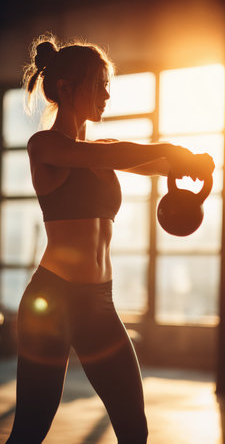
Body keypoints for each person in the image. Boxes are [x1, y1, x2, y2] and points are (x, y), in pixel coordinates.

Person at [6, 34, 214, 444]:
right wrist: (171, 150)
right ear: (66, 88)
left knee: (134, 427)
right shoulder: (44, 146)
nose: (106, 94)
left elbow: (145, 160)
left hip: (100, 302)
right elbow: (109, 157)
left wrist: (189, 161)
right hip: (53, 300)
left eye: (108, 85)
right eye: (99, 83)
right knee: (31, 429)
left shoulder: (100, 148)